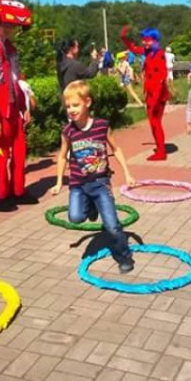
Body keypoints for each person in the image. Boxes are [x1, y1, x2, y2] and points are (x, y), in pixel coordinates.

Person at [51, 80, 136, 273]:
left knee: (112, 226)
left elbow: (117, 149)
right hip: (78, 185)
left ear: (87, 102)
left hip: (100, 182)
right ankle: (89, 208)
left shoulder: (101, 126)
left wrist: (128, 174)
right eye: (68, 106)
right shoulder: (67, 131)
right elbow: (62, 157)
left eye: (75, 105)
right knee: (75, 217)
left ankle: (125, 257)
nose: (71, 110)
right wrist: (58, 183)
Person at [0, 0, 39, 212]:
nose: (12, 28)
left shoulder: (11, 50)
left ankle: (18, 191)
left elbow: (16, 81)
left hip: (14, 110)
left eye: (15, 25)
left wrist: (24, 108)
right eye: (9, 24)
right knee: (0, 154)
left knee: (20, 151)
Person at [120, 26, 170, 161]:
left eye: (147, 40)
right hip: (151, 92)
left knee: (156, 123)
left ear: (154, 40)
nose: (144, 42)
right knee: (153, 123)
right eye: (143, 40)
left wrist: (156, 98)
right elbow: (133, 49)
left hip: (158, 94)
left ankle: (161, 152)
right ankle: (160, 150)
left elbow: (162, 76)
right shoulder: (147, 52)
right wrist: (124, 38)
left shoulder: (159, 54)